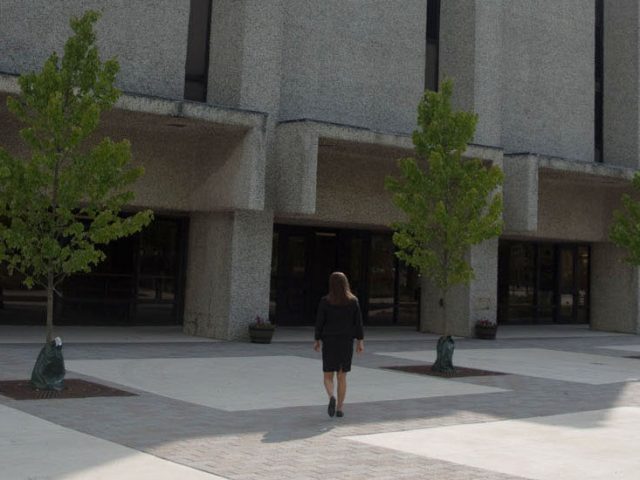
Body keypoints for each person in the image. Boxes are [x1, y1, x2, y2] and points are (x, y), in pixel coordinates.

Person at [314, 271, 364, 418]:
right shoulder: (353, 301)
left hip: (329, 342)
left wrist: (317, 339)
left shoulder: (325, 301)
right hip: (346, 342)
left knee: (328, 375)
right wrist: (360, 341)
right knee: (342, 377)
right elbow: (358, 323)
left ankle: (331, 397)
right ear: (345, 283)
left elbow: (319, 322)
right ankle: (340, 408)